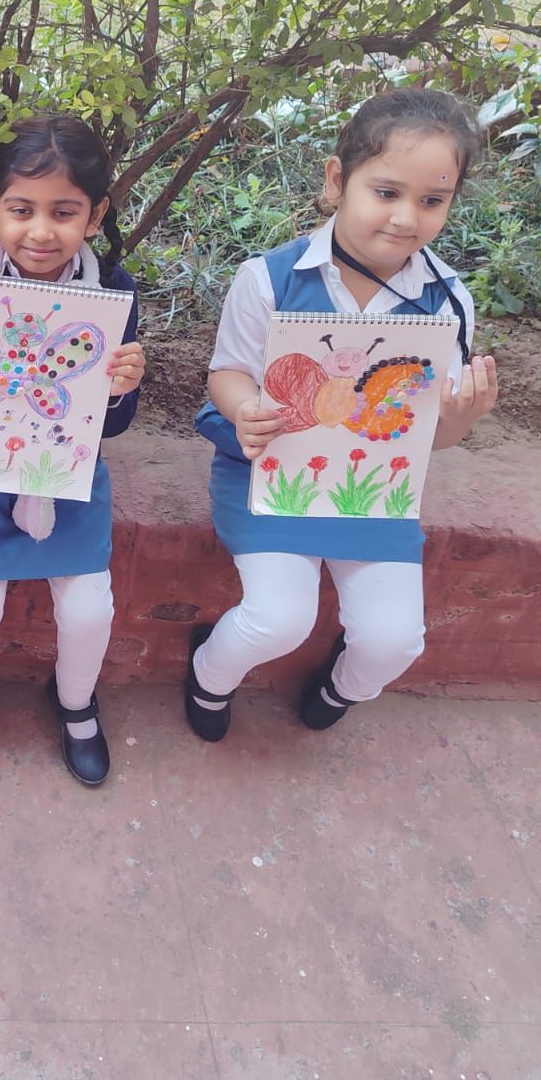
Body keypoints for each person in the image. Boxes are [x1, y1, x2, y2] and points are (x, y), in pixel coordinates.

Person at [189, 86, 498, 741]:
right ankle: (208, 676)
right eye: (386, 192)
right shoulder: (269, 278)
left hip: (373, 495)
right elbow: (228, 372)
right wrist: (245, 408)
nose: (406, 218)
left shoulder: (448, 301)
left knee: (394, 640)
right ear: (338, 180)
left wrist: (462, 416)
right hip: (268, 478)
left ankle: (341, 685)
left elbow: (430, 436)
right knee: (278, 619)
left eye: (432, 200)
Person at [0, 115, 145, 786]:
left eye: (63, 212)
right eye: (21, 210)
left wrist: (121, 389)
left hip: (66, 475)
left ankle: (75, 703)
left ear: (95, 216)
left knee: (89, 608)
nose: (41, 231)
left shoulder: (114, 293)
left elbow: (111, 426)